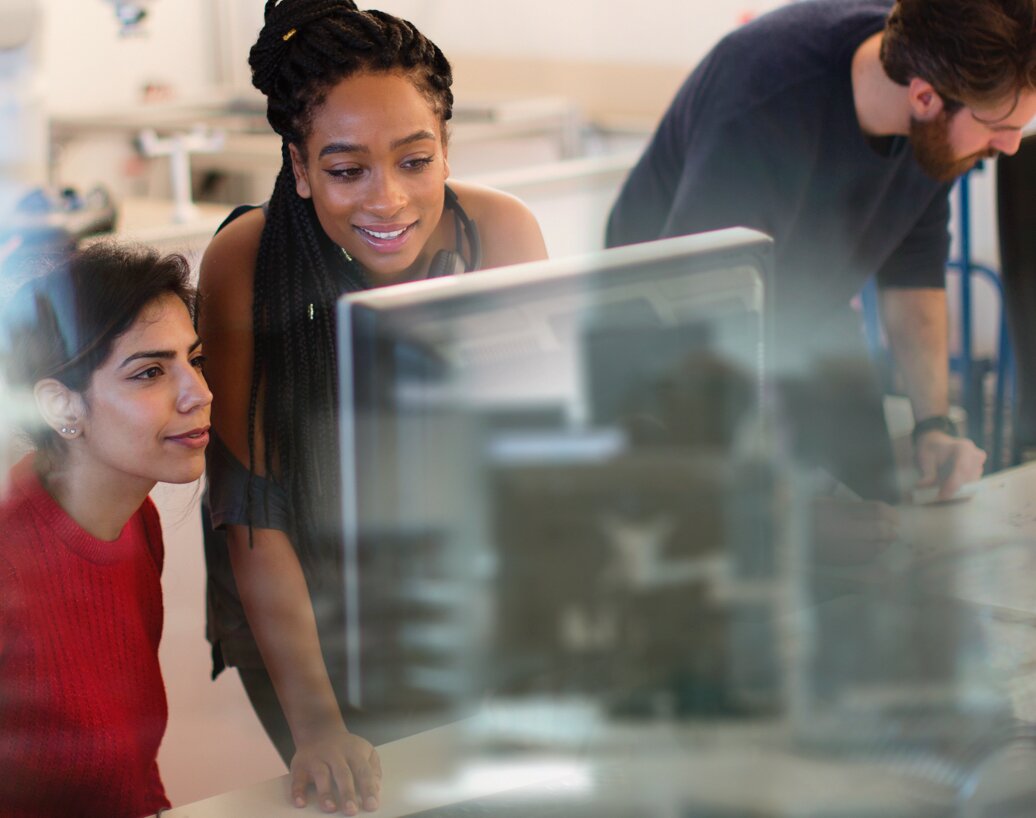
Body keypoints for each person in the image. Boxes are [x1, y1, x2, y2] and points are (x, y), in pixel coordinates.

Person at [197, 1, 547, 813]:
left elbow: (529, 467)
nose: (387, 200)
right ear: (298, 165)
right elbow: (256, 514)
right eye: (347, 169)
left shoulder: (498, 234)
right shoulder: (247, 262)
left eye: (416, 161)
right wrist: (318, 723)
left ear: (446, 148)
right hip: (294, 599)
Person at [606, 0, 1036, 505]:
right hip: (666, 324)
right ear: (924, 98)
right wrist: (794, 503)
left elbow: (914, 274)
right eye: (997, 126)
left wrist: (933, 427)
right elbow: (698, 321)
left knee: (876, 498)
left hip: (807, 304)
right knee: (777, 534)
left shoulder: (937, 97)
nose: (1010, 146)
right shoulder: (763, 107)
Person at [0, 242, 212, 817]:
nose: (200, 394)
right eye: (150, 372)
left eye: (195, 361)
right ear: (62, 407)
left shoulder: (134, 521)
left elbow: (133, 771)